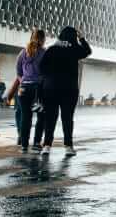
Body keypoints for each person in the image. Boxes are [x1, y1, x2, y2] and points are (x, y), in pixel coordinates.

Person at [36, 26, 91, 155]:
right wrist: (81, 38)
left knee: (50, 118)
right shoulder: (74, 50)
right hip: (69, 90)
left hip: (51, 89)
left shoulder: (51, 49)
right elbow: (87, 51)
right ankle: (68, 147)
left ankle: (47, 146)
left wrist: (50, 76)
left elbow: (41, 68)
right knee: (67, 118)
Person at [15, 29, 45, 153]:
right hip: (38, 89)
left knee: (25, 117)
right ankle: (37, 143)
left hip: (23, 89)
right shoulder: (44, 53)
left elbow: (18, 72)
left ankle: (24, 145)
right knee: (41, 116)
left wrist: (24, 82)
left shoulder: (23, 52)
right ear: (43, 39)